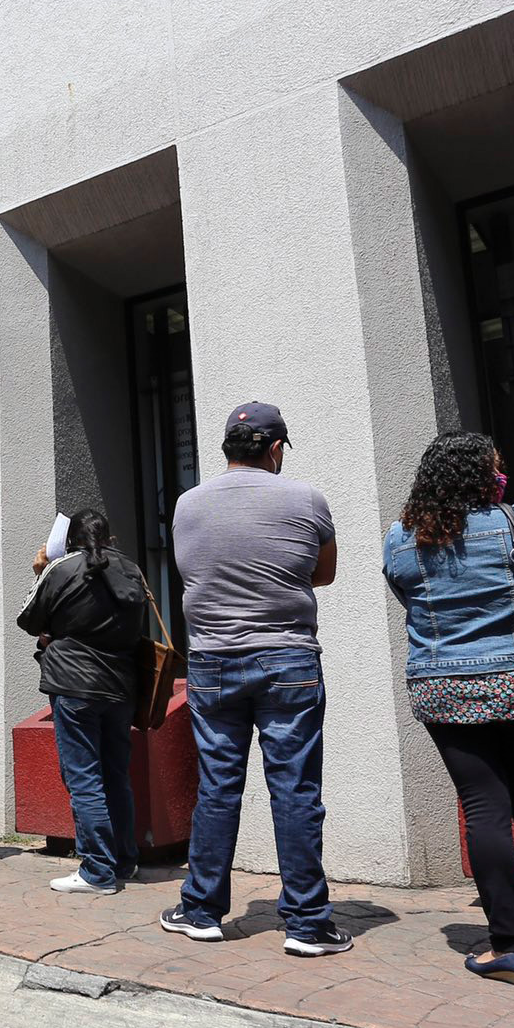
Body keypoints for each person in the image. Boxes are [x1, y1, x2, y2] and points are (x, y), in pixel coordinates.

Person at [383, 433, 514, 985]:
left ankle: (508, 945)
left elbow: (406, 595)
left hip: (445, 687)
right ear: (485, 474)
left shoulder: (402, 536)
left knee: (484, 810)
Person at [160, 403, 353, 956]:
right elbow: (324, 573)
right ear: (274, 449)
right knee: (295, 789)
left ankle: (200, 910)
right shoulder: (306, 499)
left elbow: (192, 569)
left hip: (214, 660)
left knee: (219, 787)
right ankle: (307, 925)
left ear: (227, 448)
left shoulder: (187, 504)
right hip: (287, 658)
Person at [15, 509, 148, 894]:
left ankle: (97, 870)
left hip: (74, 685)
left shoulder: (62, 568)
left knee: (84, 777)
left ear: (68, 538)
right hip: (121, 685)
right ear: (109, 537)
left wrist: (40, 570)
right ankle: (124, 860)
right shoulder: (130, 569)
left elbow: (28, 619)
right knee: (116, 775)